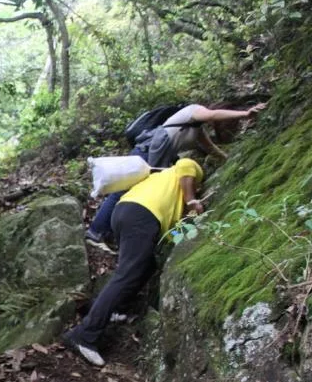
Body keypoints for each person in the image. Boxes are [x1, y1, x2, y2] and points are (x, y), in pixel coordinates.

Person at [62, 158, 205, 366]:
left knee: (146, 266)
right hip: (141, 214)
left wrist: (190, 219)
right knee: (127, 274)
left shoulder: (167, 191)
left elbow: (172, 236)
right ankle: (84, 335)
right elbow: (185, 166)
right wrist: (193, 200)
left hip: (125, 212)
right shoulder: (184, 170)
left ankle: (115, 308)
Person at [85, 103, 266, 246]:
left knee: (136, 193)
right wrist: (245, 114)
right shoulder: (193, 110)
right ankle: (96, 231)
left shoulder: (196, 129)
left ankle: (112, 234)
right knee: (123, 191)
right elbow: (211, 115)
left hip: (157, 156)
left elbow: (211, 149)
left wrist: (232, 161)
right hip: (148, 151)